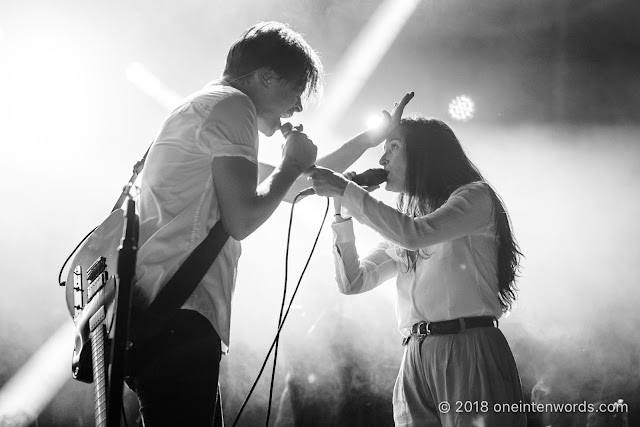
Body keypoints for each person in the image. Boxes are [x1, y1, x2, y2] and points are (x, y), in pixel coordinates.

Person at [129, 21, 412, 426]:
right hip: (180, 314)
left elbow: (298, 184)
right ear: (266, 77)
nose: (297, 108)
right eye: (296, 92)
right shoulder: (233, 108)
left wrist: (366, 141)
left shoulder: (207, 106)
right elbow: (243, 218)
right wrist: (290, 164)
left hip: (166, 313)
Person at [308, 114, 526, 426]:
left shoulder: (474, 197)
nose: (382, 159)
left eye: (393, 148)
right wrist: (341, 211)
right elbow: (353, 281)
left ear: (425, 154)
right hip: (415, 353)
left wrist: (348, 190)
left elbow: (415, 234)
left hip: (467, 347)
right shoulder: (404, 221)